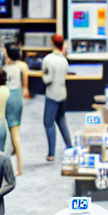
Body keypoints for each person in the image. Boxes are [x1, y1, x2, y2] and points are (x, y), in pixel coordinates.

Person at [41, 34, 70, 162]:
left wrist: (42, 74)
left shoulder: (48, 59)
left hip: (52, 93)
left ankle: (51, 153)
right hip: (63, 93)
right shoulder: (64, 60)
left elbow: (47, 79)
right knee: (61, 119)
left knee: (48, 122)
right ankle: (70, 146)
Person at [2, 44, 30, 176]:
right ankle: (16, 160)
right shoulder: (21, 67)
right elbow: (25, 85)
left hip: (9, 98)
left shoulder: (5, 69)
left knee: (14, 133)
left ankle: (19, 166)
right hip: (18, 97)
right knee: (15, 128)